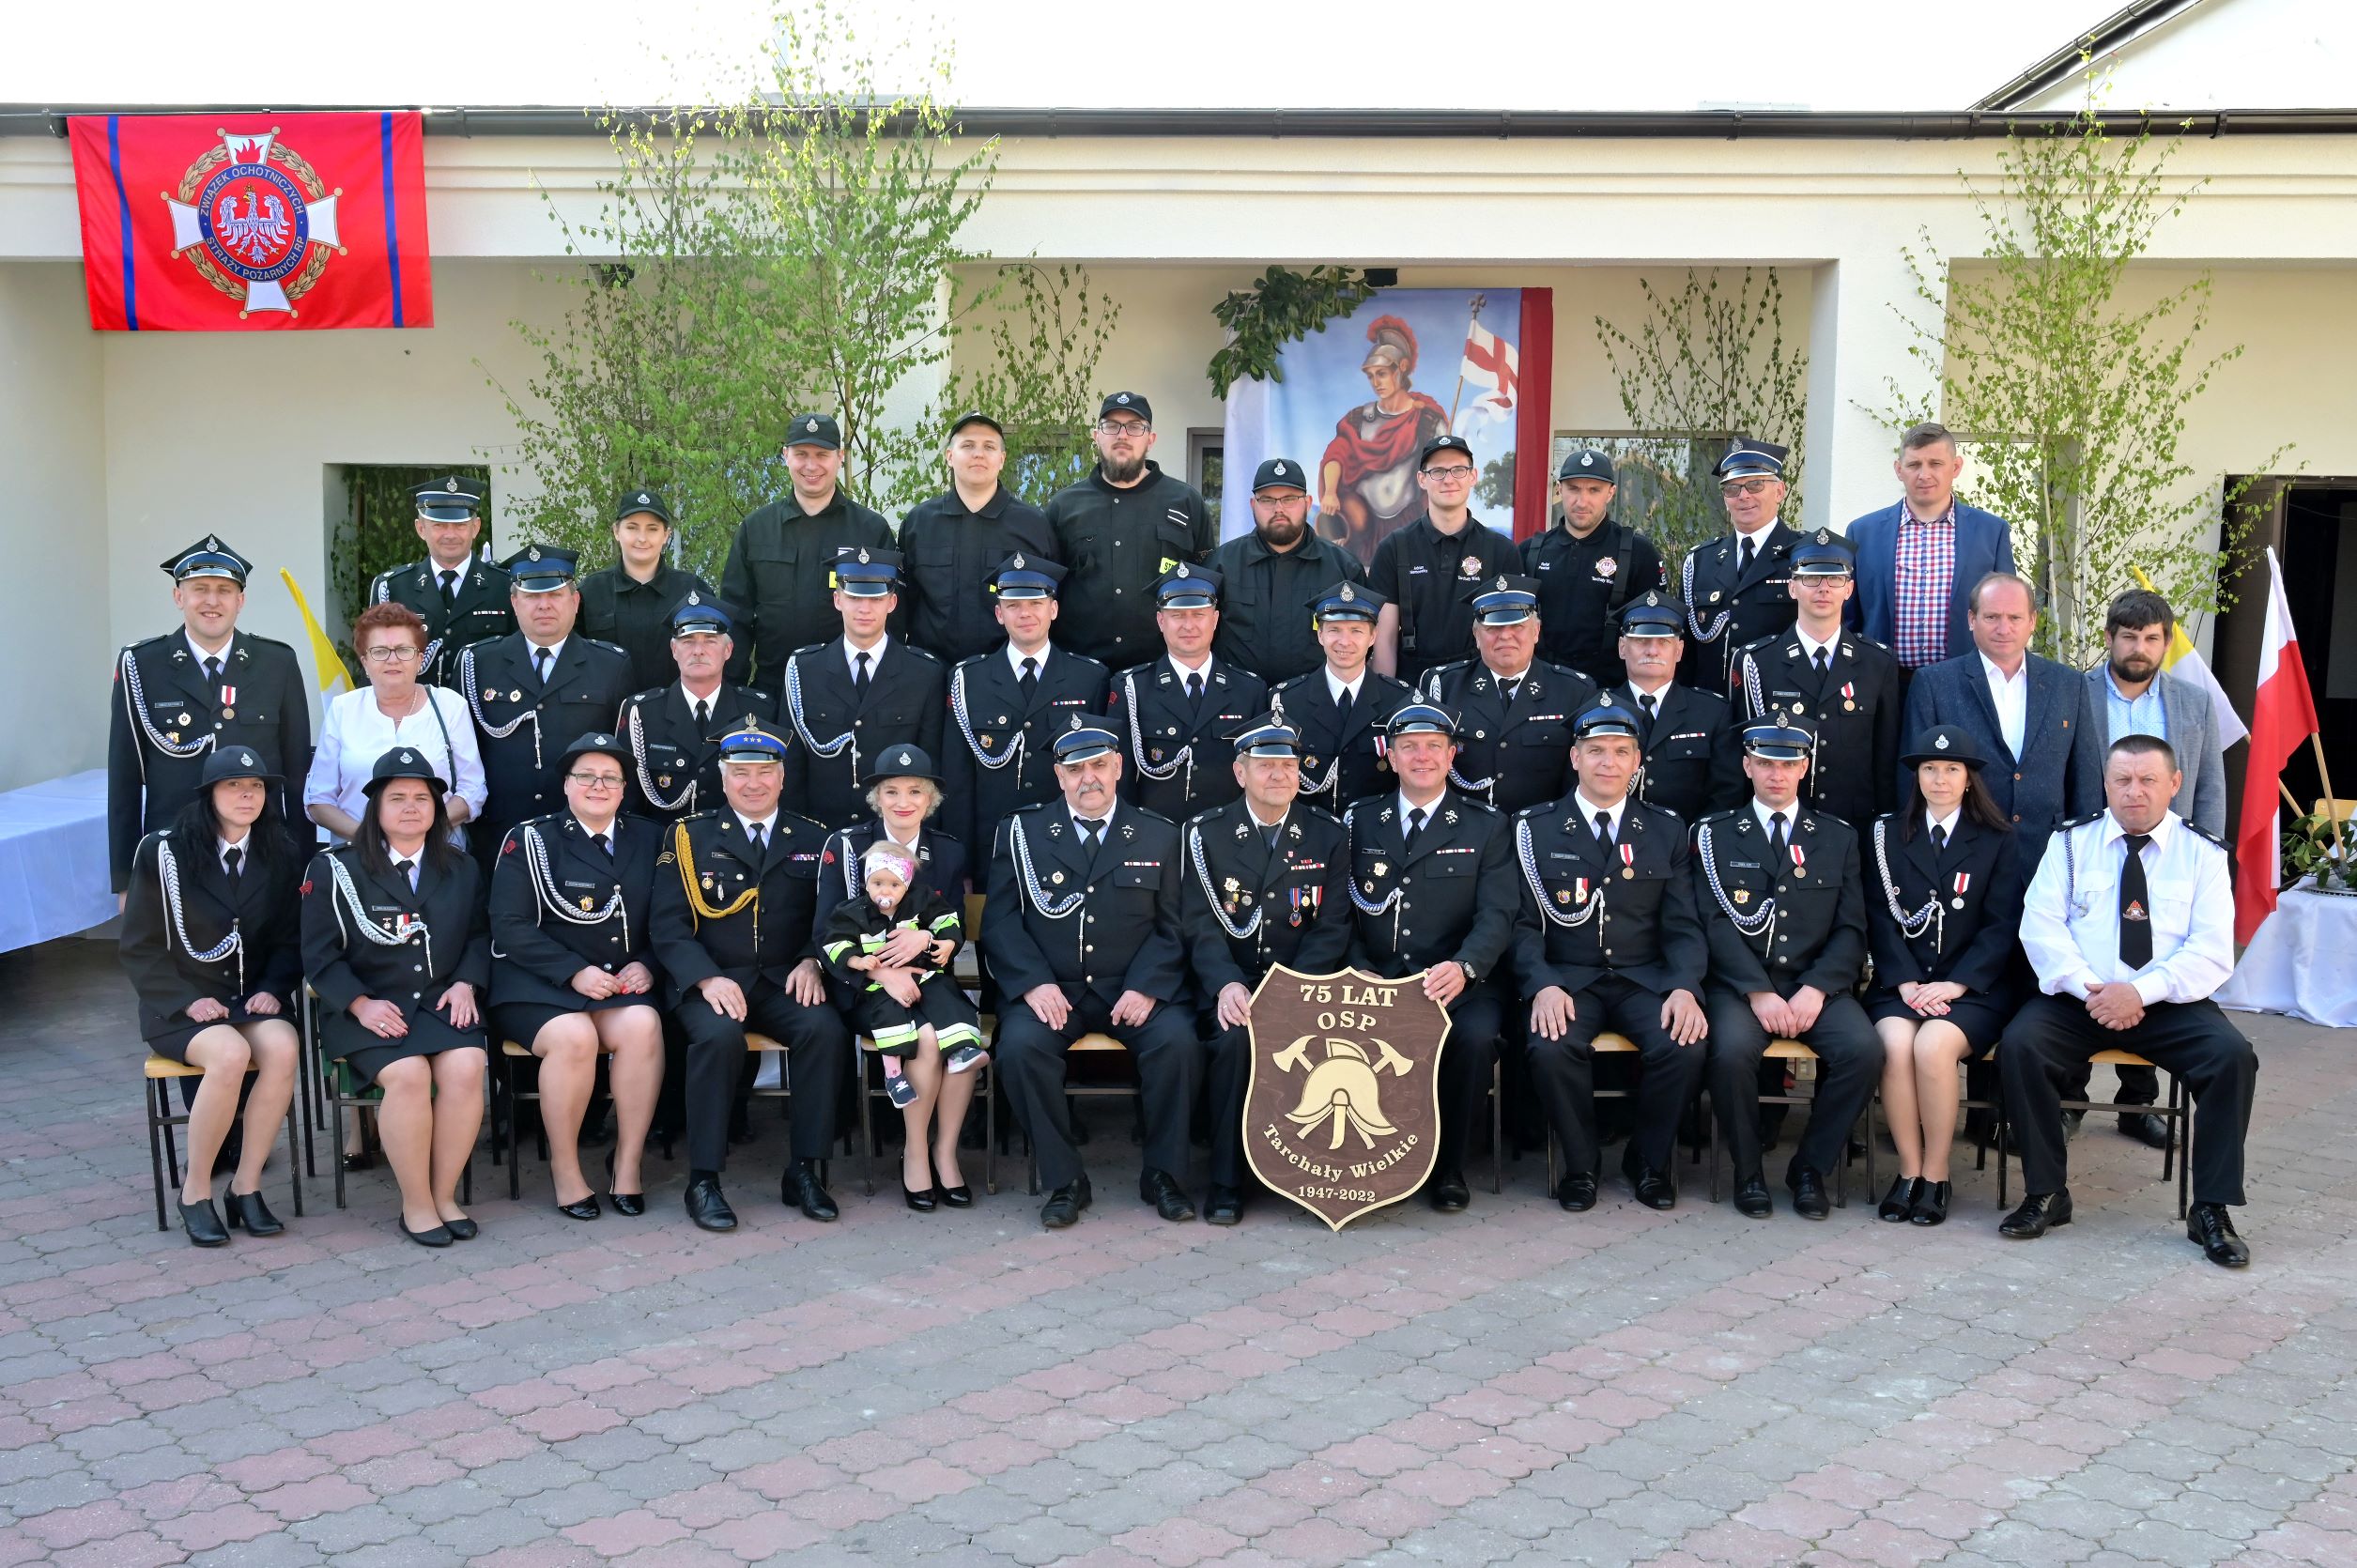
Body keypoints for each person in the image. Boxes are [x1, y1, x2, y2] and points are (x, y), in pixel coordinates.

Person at [1998, 734, 2258, 1268]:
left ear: (2174, 785)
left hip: (2168, 1002)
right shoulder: (2071, 844)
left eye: (2147, 781)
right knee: (2021, 1046)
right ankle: (2047, 1193)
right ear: (2106, 784)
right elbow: (2041, 928)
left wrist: (2137, 992)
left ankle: (2211, 1208)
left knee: (2232, 1058)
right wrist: (2093, 990)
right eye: (2122, 780)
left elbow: (2210, 951)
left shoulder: (2203, 854)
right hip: (2081, 997)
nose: (2133, 792)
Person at [983, 720, 1199, 1229]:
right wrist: (1033, 983)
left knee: (1179, 1045)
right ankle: (1064, 1180)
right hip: (1052, 991)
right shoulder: (1022, 832)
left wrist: (1147, 985)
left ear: (1118, 767)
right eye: (1075, 769)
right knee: (1018, 1049)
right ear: (1058, 776)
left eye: (1099, 765)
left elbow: (1175, 926)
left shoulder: (1160, 834)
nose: (1089, 778)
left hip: (1130, 991)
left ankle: (1164, 1175)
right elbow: (1000, 920)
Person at [1513, 696, 1709, 1212]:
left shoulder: (1666, 829)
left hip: (1643, 978)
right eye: (1596, 751)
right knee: (1550, 1048)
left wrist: (1685, 987)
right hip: (1568, 977)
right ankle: (1580, 1166)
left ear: (1637, 761)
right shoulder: (1535, 827)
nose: (1608, 763)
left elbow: (1684, 926)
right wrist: (1541, 984)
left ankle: (1647, 1161)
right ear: (1574, 757)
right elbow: (1522, 923)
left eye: (1621, 752)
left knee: (1684, 1046)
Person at [649, 720, 847, 1229]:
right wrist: (705, 979)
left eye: (764, 772)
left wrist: (812, 960)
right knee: (718, 1040)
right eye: (741, 773)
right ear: (723, 777)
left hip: (785, 978)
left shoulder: (813, 836)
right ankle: (704, 1179)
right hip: (713, 981)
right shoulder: (687, 836)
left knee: (824, 1031)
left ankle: (805, 1170)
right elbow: (667, 925)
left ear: (782, 778)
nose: (752, 783)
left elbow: (830, 918)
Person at [300, 748, 490, 1246]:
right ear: (375, 809)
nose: (411, 808)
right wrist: (360, 1004)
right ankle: (417, 1203)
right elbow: (318, 957)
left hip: (436, 1001)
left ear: (437, 808)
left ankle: (445, 1195)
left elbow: (478, 936)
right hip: (365, 1008)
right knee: (408, 1075)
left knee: (468, 1065)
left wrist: (468, 982)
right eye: (397, 798)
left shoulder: (462, 868)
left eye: (422, 798)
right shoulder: (334, 869)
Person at [1691, 715, 1879, 1221]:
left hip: (1814, 985)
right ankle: (1748, 1172)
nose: (1778, 774)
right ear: (1747, 766)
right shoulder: (1714, 834)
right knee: (1729, 1054)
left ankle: (1810, 1169)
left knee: (1863, 1052)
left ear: (1805, 769)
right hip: (1742, 987)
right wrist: (1757, 991)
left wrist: (1817, 989)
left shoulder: (1837, 837)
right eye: (1767, 763)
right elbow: (1711, 922)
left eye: (1789, 764)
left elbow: (1850, 929)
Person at [117, 747, 302, 1246]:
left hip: (246, 998)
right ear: (209, 796)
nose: (248, 795)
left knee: (284, 1045)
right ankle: (196, 1191)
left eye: (257, 787)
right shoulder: (166, 851)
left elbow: (289, 938)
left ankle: (245, 1187)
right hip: (179, 1005)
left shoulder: (279, 851)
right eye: (234, 786)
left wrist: (271, 989)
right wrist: (186, 1001)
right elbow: (139, 946)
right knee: (229, 1052)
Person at [1178, 715, 1353, 1225]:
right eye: (1265, 766)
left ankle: (1309, 1176)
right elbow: (1198, 924)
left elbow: (1332, 925)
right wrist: (1226, 983)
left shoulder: (1327, 834)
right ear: (1240, 773)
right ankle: (1228, 1181)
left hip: (1302, 985)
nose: (1278, 775)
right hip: (1228, 986)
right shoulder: (1205, 833)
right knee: (1235, 1044)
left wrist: (1290, 990)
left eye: (1287, 765)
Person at [1341, 702, 1516, 1212]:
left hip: (1458, 980)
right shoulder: (1359, 821)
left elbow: (1499, 913)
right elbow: (1340, 909)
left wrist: (1464, 967)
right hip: (1377, 977)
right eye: (1409, 747)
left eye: (1433, 747)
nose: (1422, 757)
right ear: (1390, 757)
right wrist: (1356, 966)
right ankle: (1362, 1164)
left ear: (1452, 754)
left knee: (1475, 1039)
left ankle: (1449, 1168)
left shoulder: (1486, 825)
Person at [487, 732, 664, 1221]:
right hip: (536, 985)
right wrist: (573, 972)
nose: (598, 785)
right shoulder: (529, 839)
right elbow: (509, 924)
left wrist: (647, 963)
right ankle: (566, 1172)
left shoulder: (650, 838)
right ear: (566, 786)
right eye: (586, 776)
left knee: (643, 1025)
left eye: (610, 777)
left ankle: (627, 1166)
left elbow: (669, 917)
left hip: (615, 983)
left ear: (625, 788)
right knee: (574, 1037)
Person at [2080, 588, 2231, 1149]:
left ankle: (2137, 1102)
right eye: (2128, 636)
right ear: (2110, 639)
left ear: (2166, 643)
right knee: (2092, 962)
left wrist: (2213, 851)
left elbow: (2209, 784)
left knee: (2149, 965)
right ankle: (2072, 1092)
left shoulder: (2194, 703)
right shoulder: (2078, 692)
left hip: (2167, 859)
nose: (2139, 648)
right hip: (2094, 854)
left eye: (2150, 638)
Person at [1861, 726, 2023, 1226]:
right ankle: (1907, 1171)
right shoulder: (1887, 833)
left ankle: (1936, 1176)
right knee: (1892, 1043)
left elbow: (2002, 926)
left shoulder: (1998, 840)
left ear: (1970, 779)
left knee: (1932, 1046)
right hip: (1902, 983)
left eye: (1952, 769)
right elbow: (1877, 917)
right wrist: (1906, 981)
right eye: (1929, 769)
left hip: (1971, 988)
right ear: (1917, 777)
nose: (1940, 779)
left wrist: (1957, 984)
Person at [813, 744, 978, 1208]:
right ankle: (916, 1154)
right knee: (927, 1040)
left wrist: (934, 942)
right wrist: (884, 975)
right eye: (891, 791)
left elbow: (954, 922)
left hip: (929, 980)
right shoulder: (846, 846)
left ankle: (946, 1153)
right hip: (871, 987)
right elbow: (826, 931)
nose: (903, 801)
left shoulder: (946, 851)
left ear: (930, 800)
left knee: (963, 1042)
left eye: (915, 792)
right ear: (876, 798)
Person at [110, 535, 310, 896]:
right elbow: (124, 780)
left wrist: (305, 869)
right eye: (200, 588)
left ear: (241, 601)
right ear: (178, 597)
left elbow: (296, 774)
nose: (212, 601)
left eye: (225, 590)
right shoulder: (142, 665)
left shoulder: (277, 663)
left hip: (264, 853)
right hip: (175, 852)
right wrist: (126, 879)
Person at [1900, 572, 2104, 883]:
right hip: (1962, 861)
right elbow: (1912, 779)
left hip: (2049, 862)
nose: (2003, 628)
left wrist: (2087, 860)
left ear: (2033, 621)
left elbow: (2085, 781)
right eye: (1992, 616)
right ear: (1972, 619)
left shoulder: (2069, 685)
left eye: (2015, 617)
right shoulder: (1934, 684)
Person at [456, 546, 637, 870]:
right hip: (498, 837)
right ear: (514, 603)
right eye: (530, 597)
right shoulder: (477, 663)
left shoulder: (611, 665)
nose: (544, 605)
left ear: (575, 601)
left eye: (555, 594)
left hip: (581, 834)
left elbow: (625, 759)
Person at [1730, 529, 1903, 833]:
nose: (1823, 588)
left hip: (1854, 830)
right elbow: (1740, 757)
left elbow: (1885, 763)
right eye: (1811, 578)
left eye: (1834, 578)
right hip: (1780, 826)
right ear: (1792, 587)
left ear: (1849, 589)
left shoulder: (1879, 663)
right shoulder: (1757, 661)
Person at [943, 555, 1111, 858]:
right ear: (999, 613)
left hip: (1069, 844)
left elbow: (1103, 771)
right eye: (1013, 606)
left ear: (1054, 609)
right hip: (992, 846)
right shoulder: (968, 679)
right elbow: (958, 779)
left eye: (1036, 604)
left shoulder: (1089, 678)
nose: (1025, 614)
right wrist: (960, 860)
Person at [720, 412, 897, 685]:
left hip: (851, 691)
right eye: (801, 454)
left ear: (840, 457)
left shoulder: (871, 530)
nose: (811, 465)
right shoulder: (756, 529)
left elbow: (893, 619)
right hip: (774, 690)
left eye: (822, 454)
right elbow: (735, 619)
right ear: (785, 455)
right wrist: (734, 693)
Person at [774, 548, 946, 830]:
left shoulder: (924, 673)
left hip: (894, 839)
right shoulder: (804, 670)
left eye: (876, 598)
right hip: (820, 835)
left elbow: (932, 769)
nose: (864, 608)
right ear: (837, 599)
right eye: (854, 597)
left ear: (892, 602)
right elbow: (791, 768)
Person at [1044, 392, 1219, 668]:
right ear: (1096, 436)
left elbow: (1208, 587)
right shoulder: (1064, 506)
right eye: (1111, 425)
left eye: (1135, 426)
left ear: (1150, 439)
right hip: (1082, 670)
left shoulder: (1186, 502)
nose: (1122, 435)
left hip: (1162, 671)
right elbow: (1046, 592)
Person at [305, 602, 485, 847]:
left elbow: (472, 789)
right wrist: (367, 838)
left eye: (403, 650)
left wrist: (422, 835)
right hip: (359, 855)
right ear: (365, 662)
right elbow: (318, 799)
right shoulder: (343, 709)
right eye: (379, 651)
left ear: (420, 659)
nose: (392, 660)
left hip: (438, 856)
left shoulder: (450, 706)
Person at [1842, 423, 2018, 672]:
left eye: (1935, 464)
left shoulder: (1991, 532)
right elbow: (1849, 617)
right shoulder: (1862, 533)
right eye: (1914, 465)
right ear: (1899, 469)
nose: (1924, 475)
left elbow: (2007, 612)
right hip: (1884, 685)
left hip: (1963, 684)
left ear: (1956, 467)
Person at [1417, 575, 1597, 814]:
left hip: (1546, 831)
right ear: (1476, 635)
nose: (1505, 636)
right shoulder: (1443, 686)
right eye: (1493, 628)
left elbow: (1579, 781)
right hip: (1465, 831)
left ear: (1536, 631)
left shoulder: (1575, 691)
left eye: (1517, 627)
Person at [1107, 566, 1268, 822]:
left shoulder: (1250, 690)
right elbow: (1120, 776)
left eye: (1198, 615)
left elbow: (1259, 775)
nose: (1188, 625)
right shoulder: (1131, 688)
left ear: (1215, 620)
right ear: (1161, 621)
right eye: (1177, 615)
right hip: (1155, 836)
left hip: (1227, 836)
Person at [898, 410, 1059, 665]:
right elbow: (902, 605)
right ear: (950, 456)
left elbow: (1052, 604)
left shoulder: (1033, 525)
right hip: (931, 673)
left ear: (1002, 459)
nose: (978, 454)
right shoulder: (919, 523)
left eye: (989, 446)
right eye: (968, 445)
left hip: (1007, 677)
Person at [1366, 435, 1522, 689]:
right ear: (1422, 479)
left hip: (1480, 685)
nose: (1449, 479)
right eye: (1437, 471)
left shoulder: (1501, 550)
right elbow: (1384, 640)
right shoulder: (1394, 548)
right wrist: (1388, 697)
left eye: (1458, 470)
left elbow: (1510, 636)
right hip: (1412, 684)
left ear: (1473, 476)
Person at [615, 592, 777, 823]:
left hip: (735, 850)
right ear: (674, 650)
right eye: (688, 641)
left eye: (710, 641)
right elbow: (627, 802)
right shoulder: (640, 714)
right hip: (662, 848)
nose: (698, 650)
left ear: (728, 650)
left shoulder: (760, 711)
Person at [1208, 456, 1368, 684]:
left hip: (1315, 706)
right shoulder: (1222, 564)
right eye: (1267, 500)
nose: (1278, 508)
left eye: (1290, 499)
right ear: (1253, 505)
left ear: (1307, 502)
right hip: (1239, 704)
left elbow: (1363, 641)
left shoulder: (1343, 568)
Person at [1519, 449, 1669, 686]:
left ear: (1611, 493)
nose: (1582, 501)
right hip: (1543, 689)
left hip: (1611, 692)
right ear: (1559, 489)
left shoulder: (1639, 553)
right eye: (1574, 489)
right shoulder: (1530, 552)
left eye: (1594, 490)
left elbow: (1659, 633)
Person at [1271, 582, 1413, 817]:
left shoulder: (1399, 700)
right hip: (1309, 835)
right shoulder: (1286, 701)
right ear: (1320, 635)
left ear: (1373, 637)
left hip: (1378, 834)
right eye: (1335, 630)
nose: (1344, 642)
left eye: (1356, 631)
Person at [1316, 315, 1451, 561]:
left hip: (1407, 521)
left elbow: (1442, 472)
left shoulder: (1427, 422)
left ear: (1401, 369)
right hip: (1361, 528)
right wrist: (1331, 492)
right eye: (1371, 375)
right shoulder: (1357, 419)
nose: (1376, 382)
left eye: (1382, 374)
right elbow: (1336, 454)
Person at [1677, 439, 1800, 697]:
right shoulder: (1701, 561)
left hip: (1778, 705)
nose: (1743, 496)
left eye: (1755, 485)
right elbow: (1685, 649)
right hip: (1712, 706)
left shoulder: (1802, 556)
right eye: (1731, 489)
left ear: (1779, 491)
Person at [1611, 593, 1746, 823]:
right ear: (1623, 648)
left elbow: (1727, 793)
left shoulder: (1711, 712)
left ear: (1679, 650)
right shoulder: (1599, 709)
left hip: (1686, 848)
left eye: (1663, 642)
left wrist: (1691, 843)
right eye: (1642, 641)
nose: (1652, 651)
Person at [368, 476, 514, 688]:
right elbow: (376, 660)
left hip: (483, 715)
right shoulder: (393, 588)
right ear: (420, 529)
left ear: (475, 527)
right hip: (417, 714)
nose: (450, 535)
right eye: (439, 525)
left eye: (460, 526)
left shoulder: (504, 586)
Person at [578, 488, 718, 694]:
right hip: (606, 716)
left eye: (652, 529)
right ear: (616, 531)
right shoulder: (591, 591)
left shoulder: (692, 590)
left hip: (676, 716)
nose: (642, 538)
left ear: (666, 535)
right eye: (632, 528)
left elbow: (716, 655)